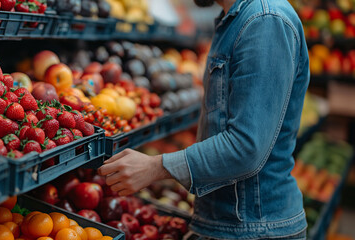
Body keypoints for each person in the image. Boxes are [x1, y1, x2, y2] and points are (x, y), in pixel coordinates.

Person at [98, 0, 309, 239]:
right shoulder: (236, 19)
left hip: (254, 229)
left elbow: (246, 147)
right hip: (234, 223)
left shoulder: (264, 21)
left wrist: (155, 167)